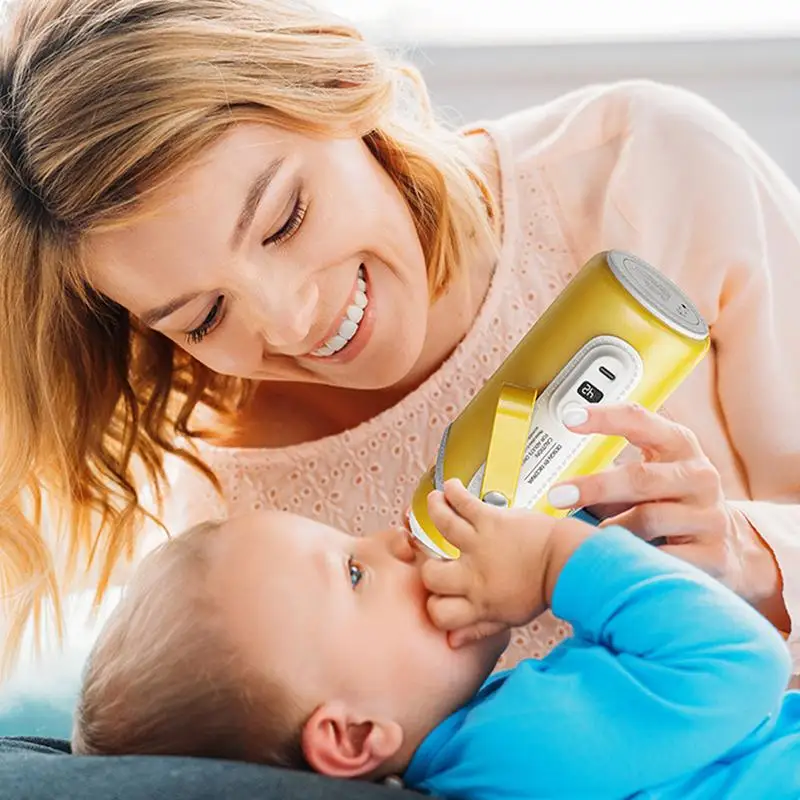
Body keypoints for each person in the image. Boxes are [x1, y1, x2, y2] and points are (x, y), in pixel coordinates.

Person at [1, 0, 799, 683]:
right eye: (202, 316)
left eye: (284, 219)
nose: (290, 322)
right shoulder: (237, 517)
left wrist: (753, 557)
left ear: (338, 81)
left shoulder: (644, 172)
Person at [72, 477, 800, 799]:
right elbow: (740, 661)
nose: (392, 538)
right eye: (355, 572)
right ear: (354, 737)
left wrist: (588, 521)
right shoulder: (521, 754)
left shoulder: (485, 746)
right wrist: (551, 561)